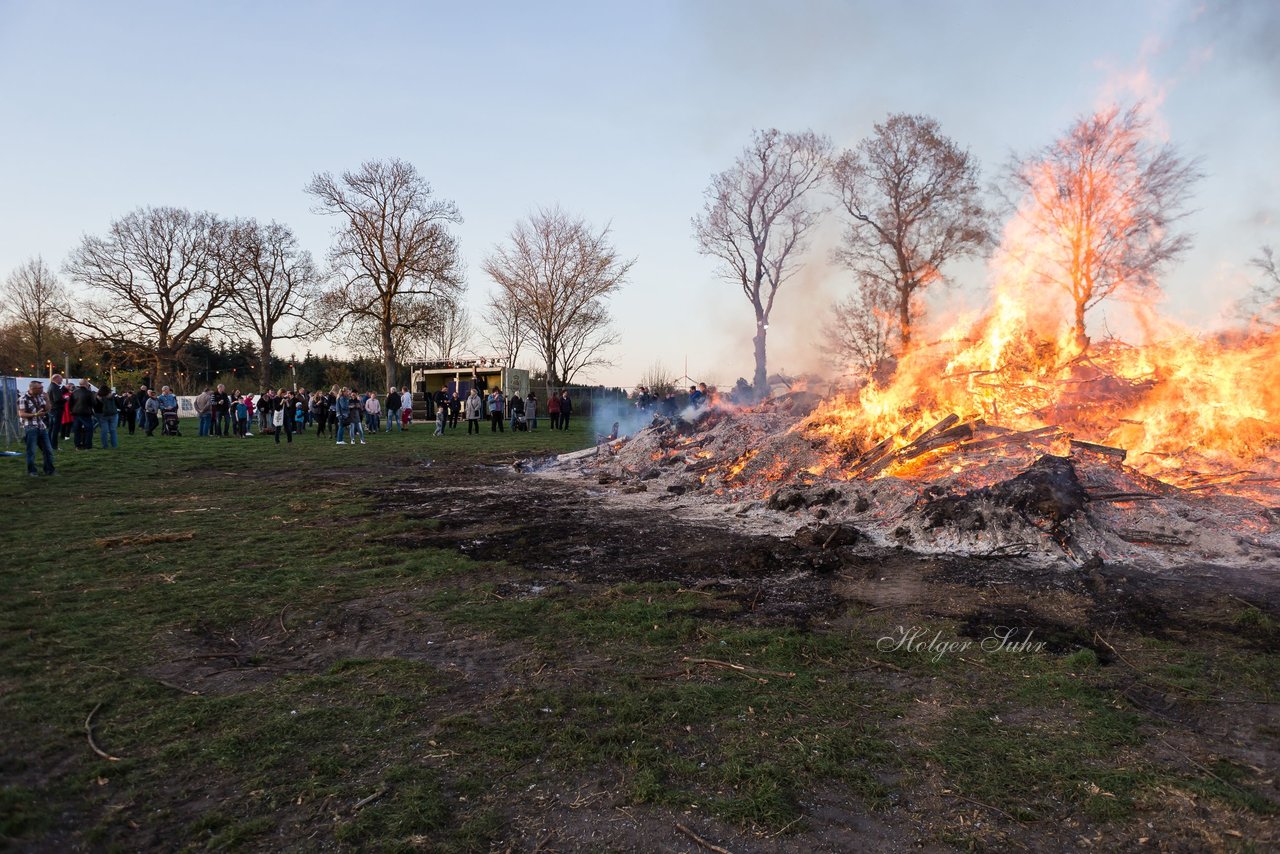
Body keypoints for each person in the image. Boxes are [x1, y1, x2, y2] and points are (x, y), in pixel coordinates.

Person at [18, 379, 56, 476]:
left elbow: (47, 409)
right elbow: (21, 414)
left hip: (41, 427)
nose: (42, 390)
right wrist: (35, 414)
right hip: (30, 427)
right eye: (40, 388)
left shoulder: (40, 397)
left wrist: (47, 399)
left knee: (48, 450)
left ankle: (49, 470)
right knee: (31, 451)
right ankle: (32, 471)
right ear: (32, 389)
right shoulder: (23, 398)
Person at [70, 378, 97, 449]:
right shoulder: (89, 393)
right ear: (86, 384)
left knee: (77, 430)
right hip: (86, 413)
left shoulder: (74, 392)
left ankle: (77, 445)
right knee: (89, 429)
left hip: (76, 413)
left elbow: (70, 403)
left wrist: (72, 410)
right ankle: (88, 445)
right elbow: (93, 403)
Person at [46, 373, 66, 449]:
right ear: (56, 379)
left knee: (51, 428)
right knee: (55, 429)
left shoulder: (51, 386)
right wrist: (65, 399)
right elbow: (57, 399)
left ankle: (49, 444)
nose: (62, 380)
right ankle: (54, 446)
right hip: (56, 409)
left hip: (52, 410)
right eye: (61, 379)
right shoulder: (54, 387)